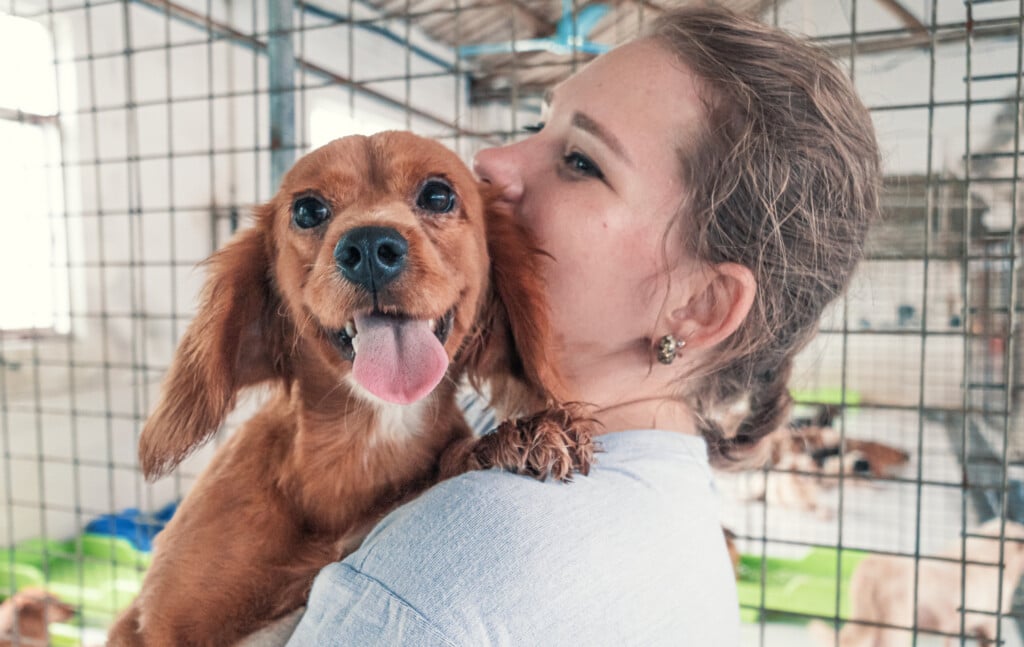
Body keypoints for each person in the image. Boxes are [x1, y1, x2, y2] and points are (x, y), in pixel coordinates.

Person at [281, 6, 881, 645]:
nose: (489, 161)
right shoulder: (679, 513)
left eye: (580, 161)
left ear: (699, 307)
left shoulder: (448, 572)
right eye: (536, 123)